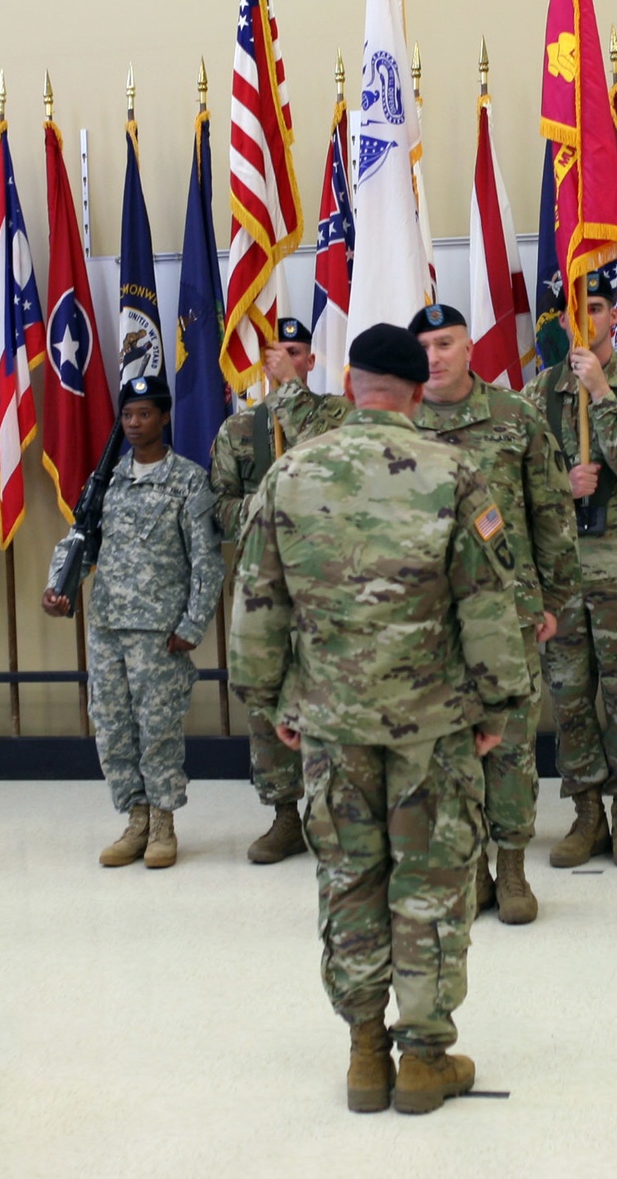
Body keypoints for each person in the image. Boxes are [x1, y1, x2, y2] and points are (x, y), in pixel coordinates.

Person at [229, 323, 531, 1116]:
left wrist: (270, 702)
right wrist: (498, 706)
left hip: (330, 722)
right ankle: (424, 1060)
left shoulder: (289, 475)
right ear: (413, 390)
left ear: (351, 380)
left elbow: (256, 605)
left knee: (348, 880)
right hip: (432, 728)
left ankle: (366, 1053)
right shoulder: (455, 474)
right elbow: (489, 605)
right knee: (430, 884)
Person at [407, 303, 578, 925]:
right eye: (424, 345)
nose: (435, 356)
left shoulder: (516, 417)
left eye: (446, 343)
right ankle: (470, 869)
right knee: (448, 749)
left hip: (508, 614)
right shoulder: (399, 425)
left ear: (469, 346)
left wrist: (554, 600)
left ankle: (511, 868)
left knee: (507, 745)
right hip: (428, 620)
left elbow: (553, 513)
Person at [43, 374, 224, 869]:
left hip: (160, 632)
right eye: (127, 415)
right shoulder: (108, 480)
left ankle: (164, 823)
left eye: (145, 413)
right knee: (113, 726)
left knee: (158, 726)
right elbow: (83, 539)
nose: (135, 423)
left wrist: (192, 624)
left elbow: (207, 561)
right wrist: (58, 587)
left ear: (164, 418)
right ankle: (135, 818)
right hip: (106, 625)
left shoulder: (187, 480)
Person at [524, 272, 617, 869]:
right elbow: (523, 486)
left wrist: (600, 393)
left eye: (597, 307)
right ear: (561, 322)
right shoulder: (536, 396)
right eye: (574, 311)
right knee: (569, 696)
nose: (585, 319)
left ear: (615, 316)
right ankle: (587, 812)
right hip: (562, 572)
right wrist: (564, 484)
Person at [209, 316, 347, 865]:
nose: (285, 360)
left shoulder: (335, 416)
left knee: (334, 699)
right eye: (276, 352)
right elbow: (218, 509)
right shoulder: (238, 431)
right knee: (267, 705)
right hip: (267, 587)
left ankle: (336, 810)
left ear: (311, 362)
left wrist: (290, 394)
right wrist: (267, 508)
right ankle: (285, 815)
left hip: (328, 588)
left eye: (296, 352)